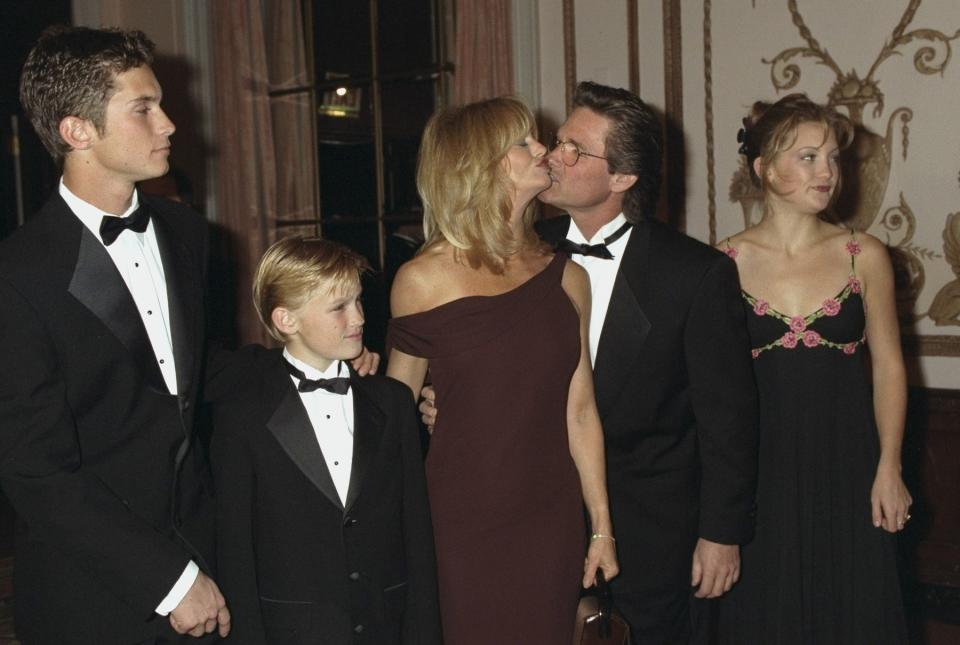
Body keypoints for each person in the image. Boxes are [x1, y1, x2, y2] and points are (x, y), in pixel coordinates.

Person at [422, 81, 759, 644]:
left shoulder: (695, 274)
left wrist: (720, 534)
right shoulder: (517, 254)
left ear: (622, 178)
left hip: (650, 529)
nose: (554, 156)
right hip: (529, 515)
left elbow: (729, 418)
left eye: (575, 150)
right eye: (557, 141)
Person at [0, 27, 228, 643]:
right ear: (78, 132)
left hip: (206, 561)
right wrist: (172, 581)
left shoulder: (186, 232)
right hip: (92, 599)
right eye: (144, 108)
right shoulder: (16, 276)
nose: (170, 125)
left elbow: (203, 373)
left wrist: (323, 366)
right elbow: (37, 473)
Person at [386, 97, 618, 644]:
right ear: (480, 165)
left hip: (550, 517)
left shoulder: (568, 278)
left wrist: (601, 527)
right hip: (460, 522)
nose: (544, 149)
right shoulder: (422, 280)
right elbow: (391, 418)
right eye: (524, 142)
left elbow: (580, 412)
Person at [715, 93, 911, 644]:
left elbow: (891, 366)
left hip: (851, 466)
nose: (827, 172)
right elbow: (712, 395)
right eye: (808, 157)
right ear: (763, 168)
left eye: (832, 158)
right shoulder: (721, 263)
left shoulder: (863, 255)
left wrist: (889, 467)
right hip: (759, 474)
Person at [209, 237, 441, 644]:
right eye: (339, 307)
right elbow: (235, 554)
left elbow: (417, 537)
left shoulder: (391, 402)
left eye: (358, 301)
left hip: (384, 626)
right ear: (286, 320)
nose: (360, 318)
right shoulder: (242, 416)